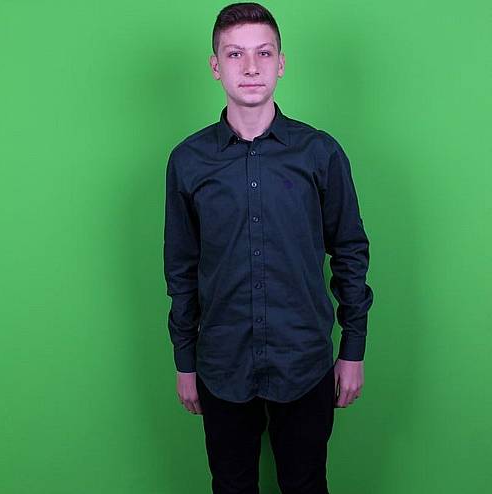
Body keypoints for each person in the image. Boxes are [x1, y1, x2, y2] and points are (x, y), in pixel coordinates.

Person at [163, 3, 374, 493]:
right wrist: (185, 360)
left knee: (306, 484)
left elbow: (349, 251)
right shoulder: (188, 161)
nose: (251, 67)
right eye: (235, 54)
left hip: (305, 361)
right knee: (231, 486)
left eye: (263, 52)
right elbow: (181, 267)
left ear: (281, 63)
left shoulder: (320, 152)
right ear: (215, 66)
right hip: (221, 365)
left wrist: (353, 349)